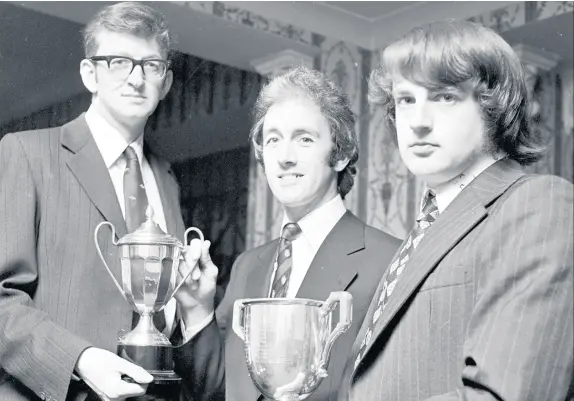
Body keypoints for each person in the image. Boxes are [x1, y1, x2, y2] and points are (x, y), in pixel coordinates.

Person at [340, 19, 574, 401]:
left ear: (493, 107)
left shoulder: (539, 204)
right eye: (405, 100)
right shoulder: (426, 229)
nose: (417, 122)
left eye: (444, 96)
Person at [0, 3, 195, 400]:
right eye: (118, 62)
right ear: (90, 74)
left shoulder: (168, 180)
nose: (136, 79)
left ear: (167, 81)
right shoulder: (26, 153)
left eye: (150, 65)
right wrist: (82, 359)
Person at [172, 66, 401, 401]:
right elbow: (217, 391)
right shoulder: (247, 265)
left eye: (304, 139)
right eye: (274, 140)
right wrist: (196, 309)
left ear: (340, 154)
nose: (285, 157)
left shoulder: (389, 260)